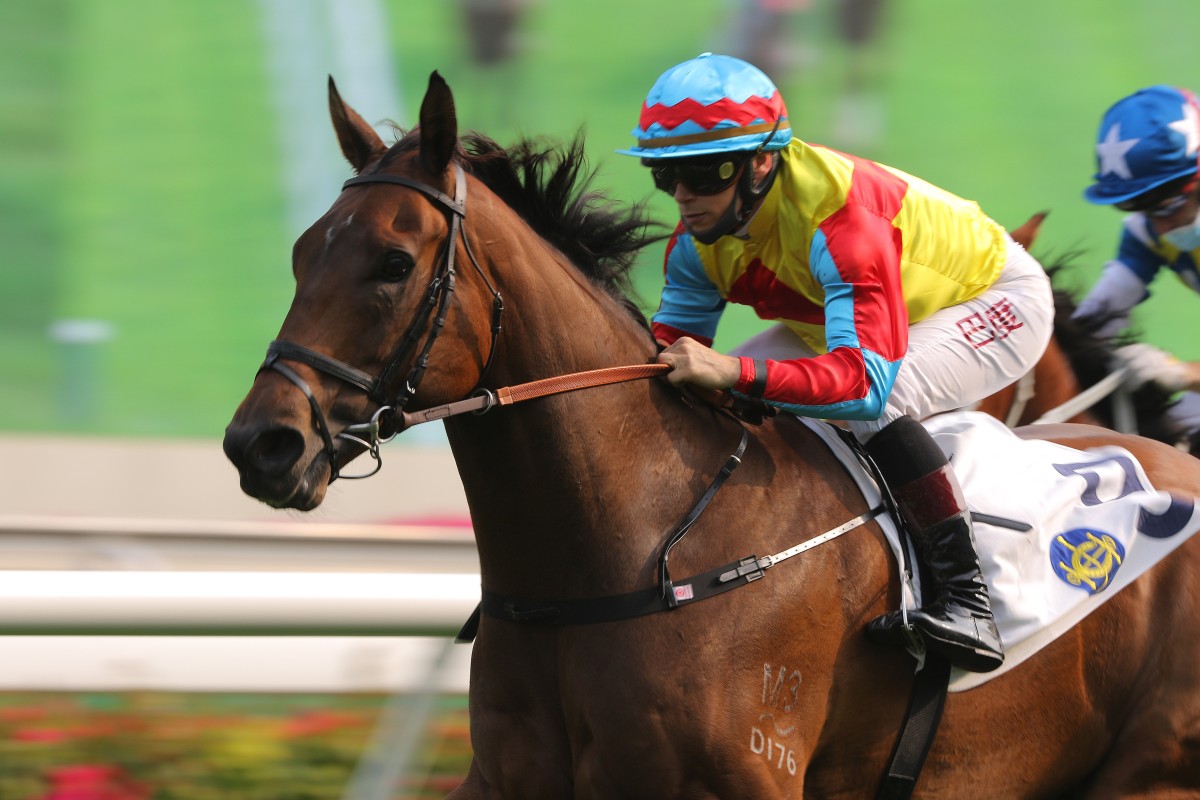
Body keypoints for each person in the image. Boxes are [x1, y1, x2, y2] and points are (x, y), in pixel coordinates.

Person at [618, 53, 1054, 673]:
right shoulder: (695, 248)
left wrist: (738, 375)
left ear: (760, 162)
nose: (684, 198)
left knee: (873, 404)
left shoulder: (840, 220)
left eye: (704, 174)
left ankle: (968, 599)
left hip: (992, 297)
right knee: (701, 386)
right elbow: (671, 360)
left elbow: (865, 387)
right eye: (666, 177)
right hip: (854, 316)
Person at [1074, 85, 1200, 441]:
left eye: (1167, 205)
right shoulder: (1147, 232)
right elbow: (1094, 321)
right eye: (1139, 207)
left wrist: (1181, 373)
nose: (1158, 226)